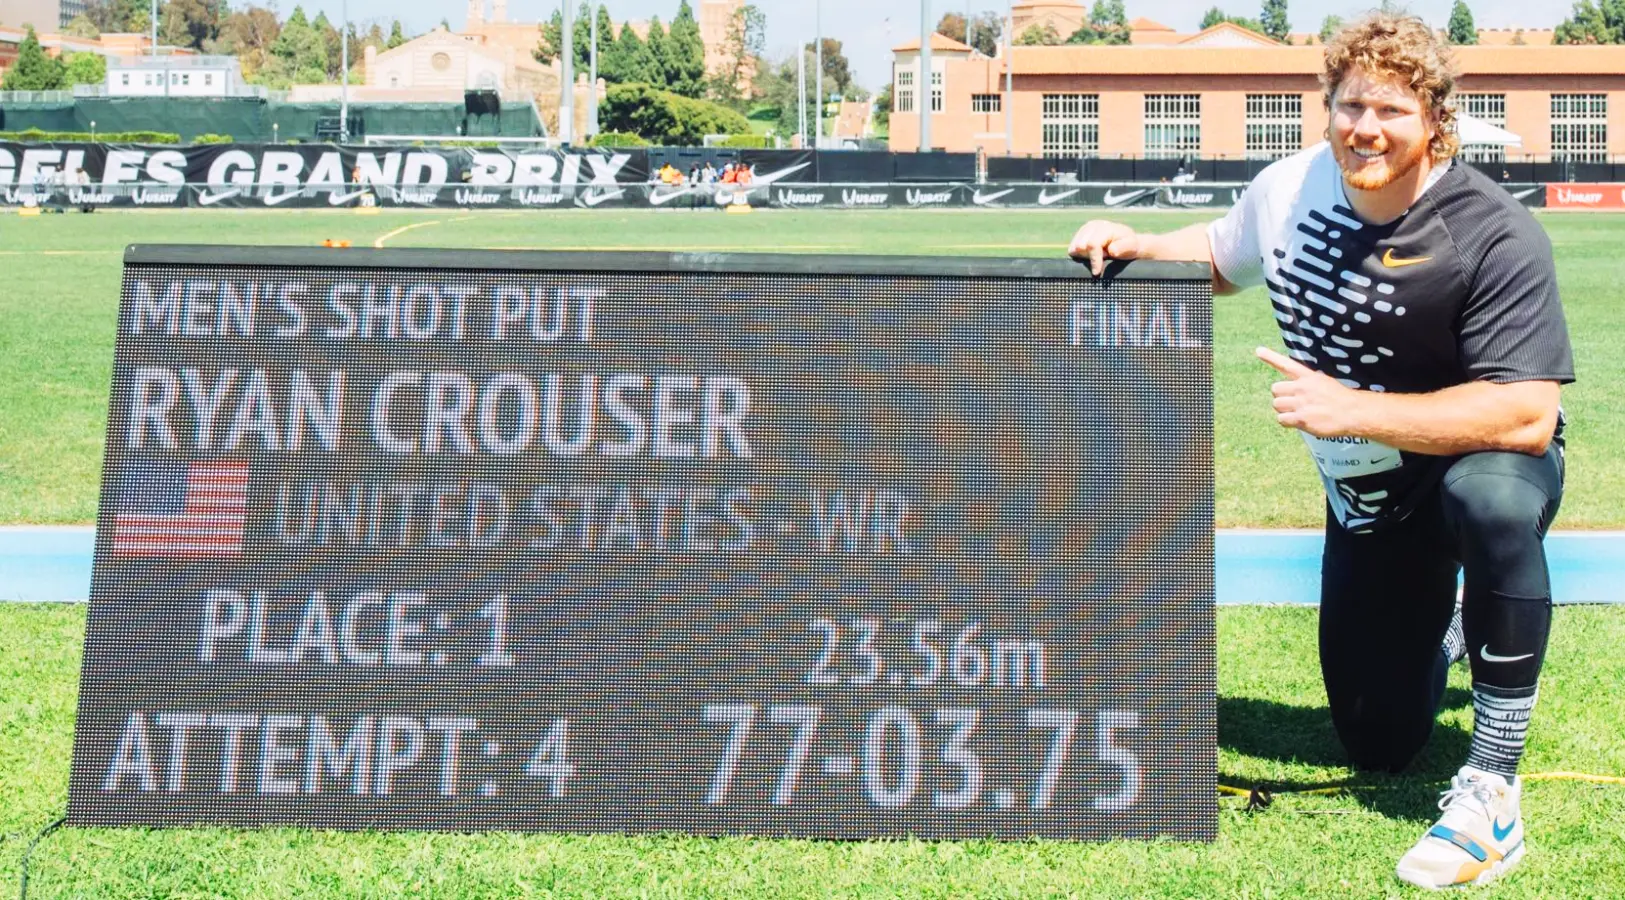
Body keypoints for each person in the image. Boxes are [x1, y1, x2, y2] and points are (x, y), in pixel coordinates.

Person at [1067, 13, 1572, 890]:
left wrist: (1353, 409)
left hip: (1483, 459)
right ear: (1325, 108)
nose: (1364, 128)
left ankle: (1491, 788)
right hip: (1368, 504)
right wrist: (1141, 242)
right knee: (1379, 741)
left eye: (1391, 110)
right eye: (1348, 106)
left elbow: (1526, 414)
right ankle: (1454, 627)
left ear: (1434, 121)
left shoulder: (1491, 230)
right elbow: (1226, 259)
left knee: (1488, 502)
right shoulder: (1287, 187)